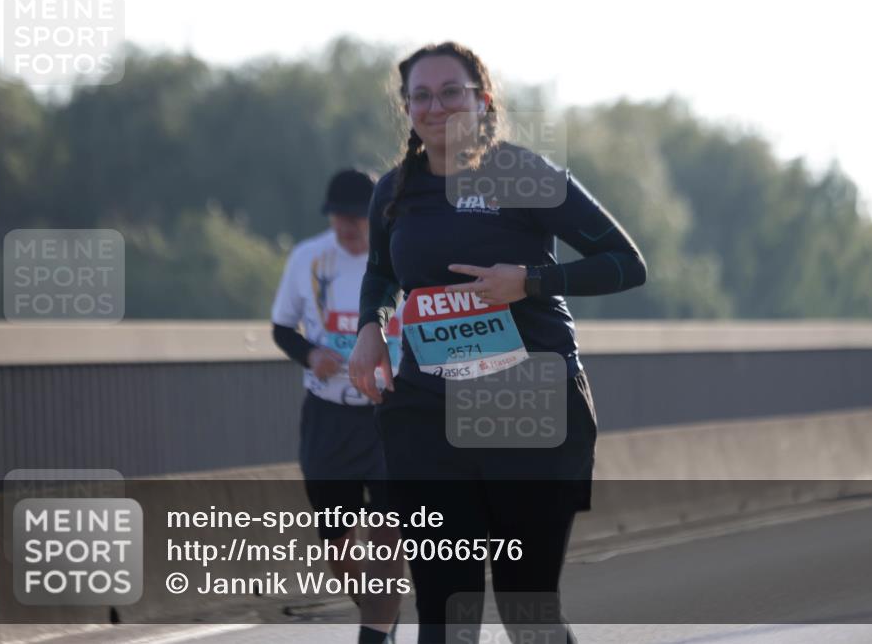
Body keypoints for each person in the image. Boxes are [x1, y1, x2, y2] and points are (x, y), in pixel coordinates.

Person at [348, 42, 648, 643]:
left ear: (482, 101)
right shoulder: (394, 192)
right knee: (444, 609)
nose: (437, 107)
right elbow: (382, 272)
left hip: (529, 405)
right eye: (421, 95)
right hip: (429, 411)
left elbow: (626, 263)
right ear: (407, 107)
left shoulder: (524, 173)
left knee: (525, 609)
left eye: (451, 92)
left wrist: (531, 282)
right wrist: (370, 329)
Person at [271, 169, 403, 644]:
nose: (347, 226)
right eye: (338, 217)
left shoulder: (399, 256)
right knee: (340, 548)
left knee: (389, 532)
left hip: (388, 413)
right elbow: (282, 329)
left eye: (356, 217)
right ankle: (381, 616)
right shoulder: (308, 257)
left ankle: (374, 633)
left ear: (377, 215)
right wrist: (311, 354)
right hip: (328, 416)